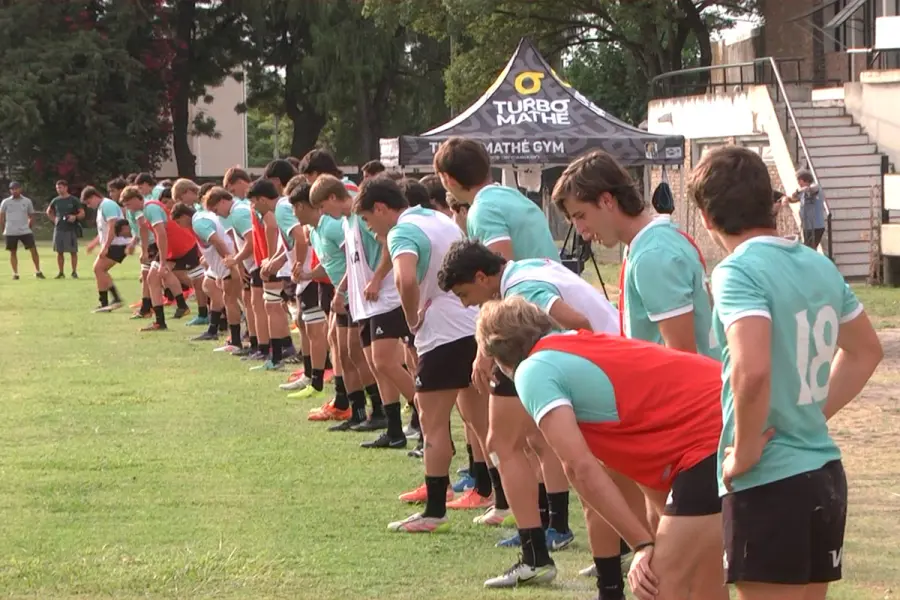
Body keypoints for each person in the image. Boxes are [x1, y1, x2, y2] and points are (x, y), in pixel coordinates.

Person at [687, 146, 884, 600]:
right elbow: (864, 351)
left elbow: (751, 369)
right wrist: (810, 413)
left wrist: (746, 451)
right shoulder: (818, 264)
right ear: (772, 201)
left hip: (771, 478)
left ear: (706, 216)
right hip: (823, 472)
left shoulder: (736, 271)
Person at [475, 297, 729, 599]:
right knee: (702, 584)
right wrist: (652, 533)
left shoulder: (533, 370)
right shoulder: (576, 343)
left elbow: (578, 466)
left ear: (499, 355)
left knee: (659, 582)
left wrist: (640, 544)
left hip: (711, 437)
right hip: (728, 420)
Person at [438, 239, 623, 589]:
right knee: (543, 445)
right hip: (609, 359)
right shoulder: (519, 272)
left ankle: (536, 556)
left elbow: (578, 322)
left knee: (502, 444)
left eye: (464, 294)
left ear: (481, 277)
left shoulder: (522, 289)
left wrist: (556, 372)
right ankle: (602, 544)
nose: (467, 304)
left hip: (597, 364)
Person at [434, 137, 572, 554]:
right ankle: (552, 524)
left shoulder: (485, 209)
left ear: (447, 179)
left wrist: (485, 349)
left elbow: (492, 274)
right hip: (538, 327)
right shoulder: (509, 198)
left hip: (520, 333)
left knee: (506, 440)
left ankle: (544, 532)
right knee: (532, 437)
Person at [353, 175, 492, 534]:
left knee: (432, 425)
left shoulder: (402, 231)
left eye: (369, 221)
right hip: (474, 324)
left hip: (442, 334)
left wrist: (412, 317)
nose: (371, 230)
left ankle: (434, 511)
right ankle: (500, 500)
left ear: (382, 209)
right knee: (481, 421)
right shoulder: (439, 218)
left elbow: (405, 279)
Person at [308, 174, 415, 447]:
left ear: (333, 197)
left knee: (384, 362)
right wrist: (343, 290)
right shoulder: (347, 221)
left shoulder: (363, 217)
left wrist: (377, 278)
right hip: (364, 303)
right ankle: (394, 429)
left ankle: (422, 415)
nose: (321, 213)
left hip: (384, 298)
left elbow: (389, 244)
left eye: (321, 207)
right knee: (376, 366)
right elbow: (354, 261)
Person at [189, 189, 243, 349]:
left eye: (215, 209)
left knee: (235, 300)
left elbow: (220, 242)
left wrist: (232, 264)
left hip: (230, 262)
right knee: (231, 297)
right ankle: (238, 337)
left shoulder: (200, 221)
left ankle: (239, 340)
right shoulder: (220, 216)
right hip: (228, 262)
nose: (217, 214)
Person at [82, 186, 129, 312]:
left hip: (118, 244)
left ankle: (115, 299)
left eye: (88, 202)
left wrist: (106, 247)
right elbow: (104, 231)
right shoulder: (102, 207)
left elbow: (112, 227)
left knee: (99, 269)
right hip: (113, 244)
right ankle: (104, 303)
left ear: (94, 196)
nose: (88, 206)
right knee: (99, 270)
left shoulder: (107, 205)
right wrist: (94, 243)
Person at [1, 181, 43, 280]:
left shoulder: (27, 201)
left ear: (20, 189)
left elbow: (31, 215)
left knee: (33, 250)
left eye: (16, 188)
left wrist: (29, 226)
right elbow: (1, 217)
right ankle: (15, 274)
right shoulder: (5, 202)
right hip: (11, 231)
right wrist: (3, 230)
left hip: (25, 231)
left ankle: (38, 271)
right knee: (13, 252)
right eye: (12, 189)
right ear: (10, 190)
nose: (14, 191)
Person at [46, 179, 84, 279]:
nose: (59, 189)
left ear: (66, 188)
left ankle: (74, 272)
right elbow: (49, 211)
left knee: (73, 252)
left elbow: (82, 213)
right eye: (57, 188)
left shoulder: (73, 200)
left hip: (71, 229)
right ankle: (61, 272)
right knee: (59, 251)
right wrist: (54, 219)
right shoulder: (56, 200)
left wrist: (75, 217)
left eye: (60, 187)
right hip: (59, 229)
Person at [783, 168, 827, 250]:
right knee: (808, 248)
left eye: (799, 180)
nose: (798, 183)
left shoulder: (815, 187)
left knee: (810, 249)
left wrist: (798, 191)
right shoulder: (802, 192)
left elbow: (811, 189)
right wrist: (787, 199)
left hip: (816, 226)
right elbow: (794, 199)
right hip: (807, 226)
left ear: (805, 180)